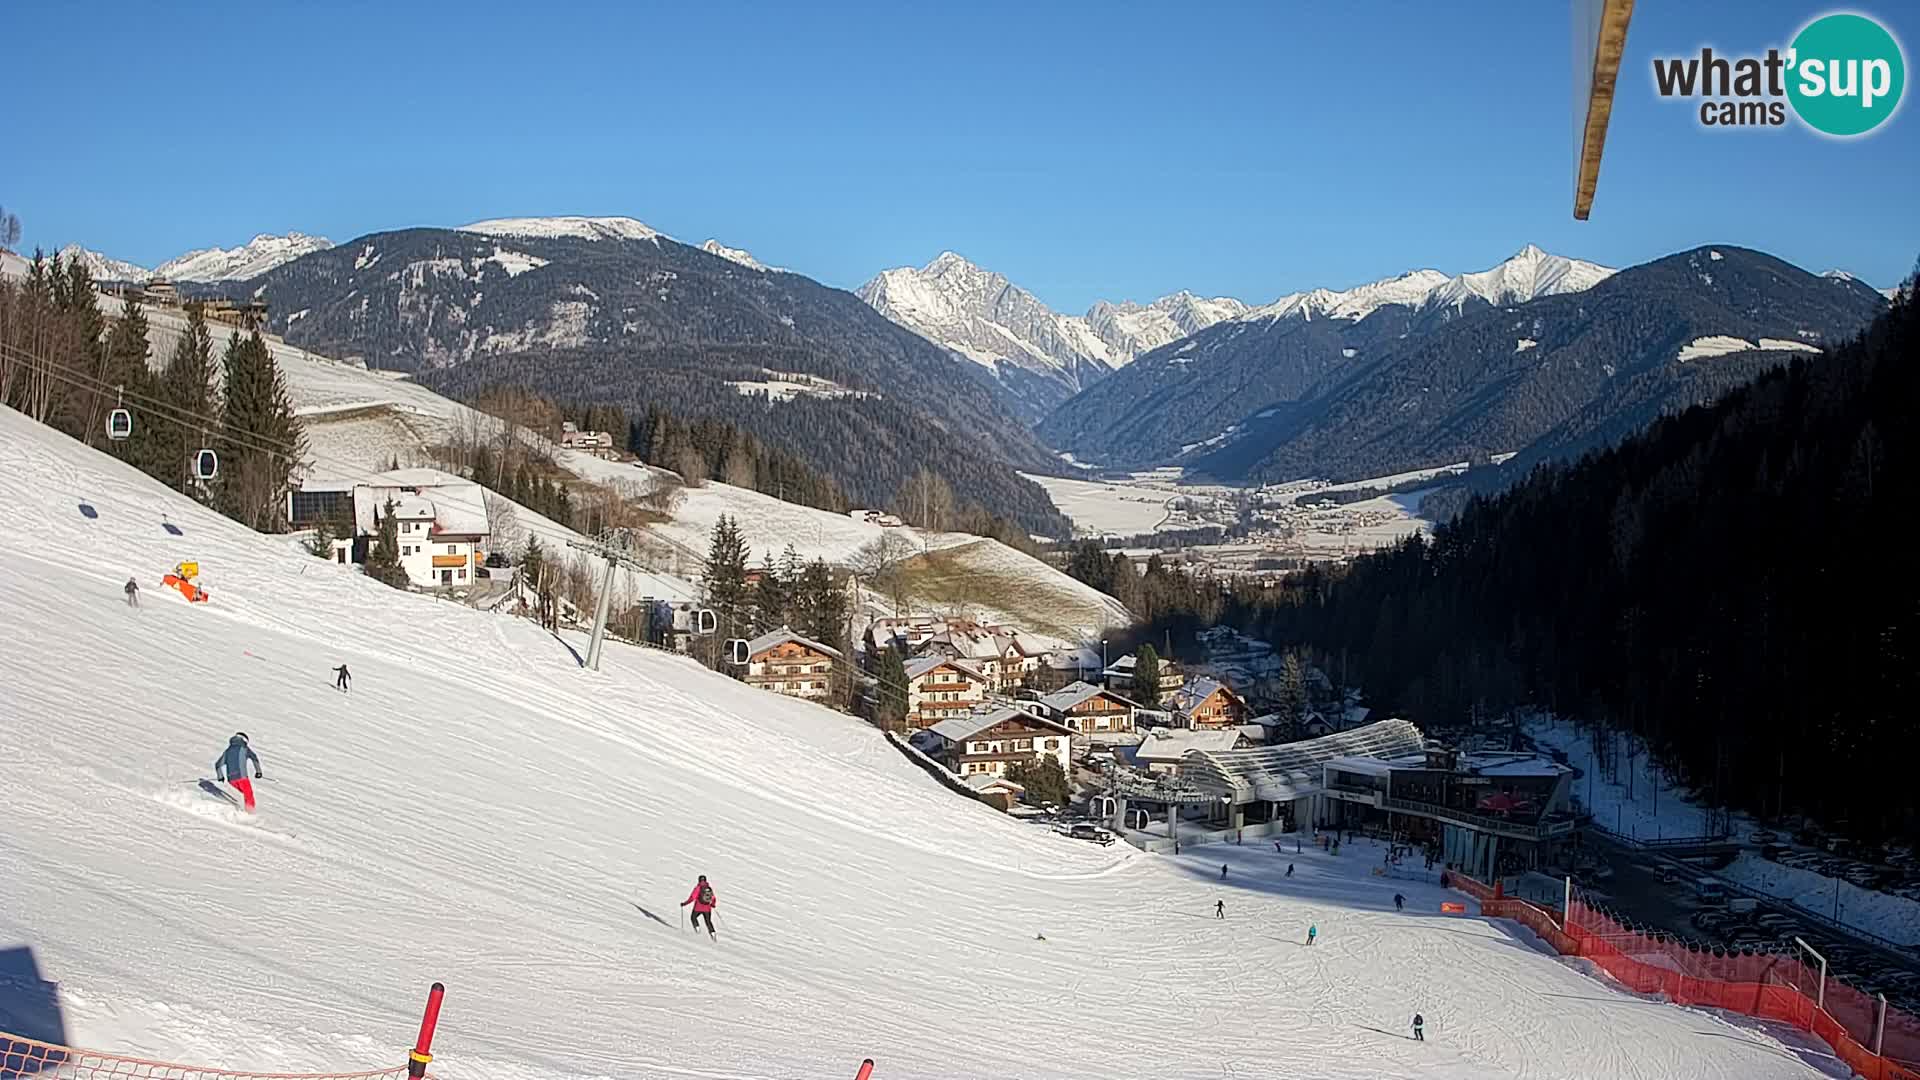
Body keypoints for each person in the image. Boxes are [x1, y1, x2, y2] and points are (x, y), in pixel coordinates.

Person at [214, 732, 263, 813]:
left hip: (231, 779)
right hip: (242, 777)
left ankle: (242, 809)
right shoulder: (244, 748)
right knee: (248, 793)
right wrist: (258, 772)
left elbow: (218, 764)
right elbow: (254, 758)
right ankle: (250, 813)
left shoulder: (227, 751)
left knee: (244, 793)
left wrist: (220, 776)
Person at [681, 874, 718, 938]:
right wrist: (713, 905)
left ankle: (697, 930)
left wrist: (684, 903)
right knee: (708, 922)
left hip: (698, 908)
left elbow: (692, 898)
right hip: (707, 909)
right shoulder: (709, 888)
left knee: (693, 917)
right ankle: (713, 934)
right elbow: (713, 898)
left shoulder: (698, 888)